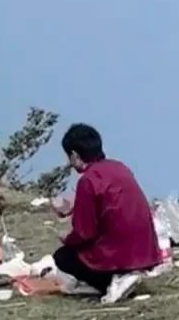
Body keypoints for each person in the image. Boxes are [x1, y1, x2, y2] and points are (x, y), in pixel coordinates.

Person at [52, 123, 161, 305]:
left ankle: (111, 283)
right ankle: (122, 276)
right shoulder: (119, 168)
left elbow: (85, 233)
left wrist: (67, 239)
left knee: (63, 257)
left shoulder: (87, 181)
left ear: (74, 155)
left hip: (118, 252)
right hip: (145, 250)